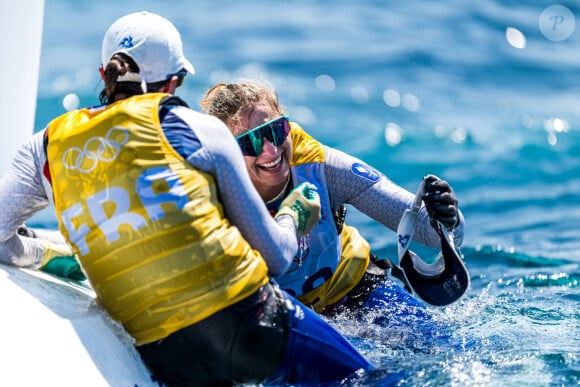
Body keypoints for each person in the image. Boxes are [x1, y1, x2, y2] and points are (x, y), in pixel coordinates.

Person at [0, 12, 373, 386]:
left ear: (104, 76)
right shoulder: (199, 129)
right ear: (175, 81)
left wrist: (42, 253)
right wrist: (293, 213)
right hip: (252, 323)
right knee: (370, 380)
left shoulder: (45, 147)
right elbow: (275, 257)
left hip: (166, 354)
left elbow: (2, 238)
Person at [200, 81, 466, 330]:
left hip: (356, 290)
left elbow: (428, 233)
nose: (270, 150)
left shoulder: (322, 169)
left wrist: (446, 217)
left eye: (276, 130)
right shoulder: (211, 203)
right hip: (283, 321)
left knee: (447, 349)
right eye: (250, 141)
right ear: (225, 152)